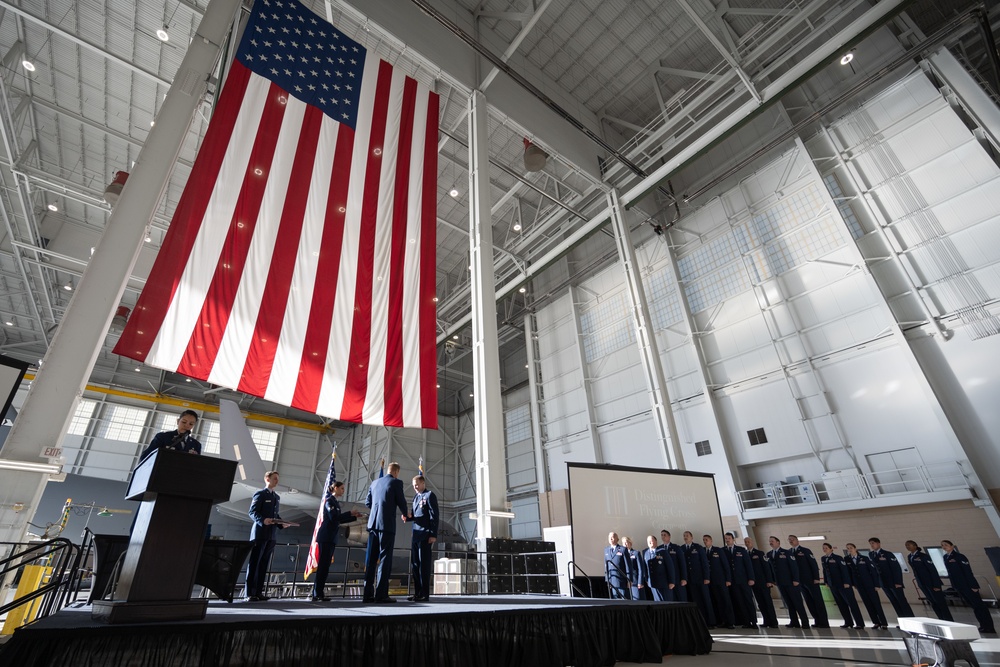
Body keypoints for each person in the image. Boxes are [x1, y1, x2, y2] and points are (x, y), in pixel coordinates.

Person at [364, 462, 409, 603]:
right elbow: (401, 501)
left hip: (372, 526)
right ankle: (381, 595)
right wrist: (405, 514)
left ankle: (367, 595)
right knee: (384, 559)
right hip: (386, 526)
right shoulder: (396, 483)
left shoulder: (375, 483)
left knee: (371, 560)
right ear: (396, 472)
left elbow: (368, 502)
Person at [311, 481, 361, 601]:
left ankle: (319, 592)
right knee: (323, 566)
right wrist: (349, 513)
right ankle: (317, 593)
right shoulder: (329, 501)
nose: (343, 491)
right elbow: (334, 518)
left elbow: (338, 520)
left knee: (326, 566)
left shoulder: (336, 503)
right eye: (342, 488)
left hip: (331, 537)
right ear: (335, 488)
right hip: (326, 536)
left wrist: (353, 517)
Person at [246, 471, 287, 601]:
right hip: (260, 533)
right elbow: (252, 512)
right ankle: (250, 593)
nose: (277, 481)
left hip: (271, 535)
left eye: (278, 479)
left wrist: (282, 523)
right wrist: (262, 520)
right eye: (275, 479)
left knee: (264, 564)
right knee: (255, 563)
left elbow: (275, 515)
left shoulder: (276, 497)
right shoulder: (260, 494)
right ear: (267, 479)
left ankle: (258, 592)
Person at [941, 540, 996, 633]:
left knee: (979, 606)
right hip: (959, 586)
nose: (944, 547)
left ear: (952, 546)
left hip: (968, 585)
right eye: (942, 545)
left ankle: (989, 627)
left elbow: (968, 572)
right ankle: (983, 625)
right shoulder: (946, 557)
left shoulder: (959, 557)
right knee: (974, 606)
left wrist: (974, 585)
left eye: (946, 545)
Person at [408, 475, 438, 602]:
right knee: (415, 565)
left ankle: (425, 594)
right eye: (413, 485)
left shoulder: (429, 495)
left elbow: (434, 515)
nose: (415, 487)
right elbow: (415, 515)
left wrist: (433, 534)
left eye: (416, 484)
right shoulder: (415, 497)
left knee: (423, 566)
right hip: (416, 535)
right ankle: (418, 593)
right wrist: (407, 517)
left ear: (423, 483)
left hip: (425, 535)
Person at [905, 540, 953, 621]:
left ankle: (948, 620)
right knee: (933, 602)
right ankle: (941, 619)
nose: (907, 547)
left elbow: (932, 570)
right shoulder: (910, 556)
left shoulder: (923, 556)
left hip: (931, 582)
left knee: (940, 602)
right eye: (906, 545)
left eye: (909, 545)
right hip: (922, 582)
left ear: (915, 545)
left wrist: (936, 584)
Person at [788, 535, 829, 628]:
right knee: (809, 602)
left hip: (811, 580)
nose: (791, 541)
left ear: (797, 540)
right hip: (800, 581)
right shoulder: (789, 552)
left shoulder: (805, 550)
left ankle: (824, 622)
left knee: (818, 601)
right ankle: (817, 620)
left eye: (792, 539)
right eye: (789, 540)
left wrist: (816, 578)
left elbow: (813, 564)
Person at [768, 536, 809, 629]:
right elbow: (771, 569)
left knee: (797, 603)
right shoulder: (769, 554)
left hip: (791, 582)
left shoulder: (787, 553)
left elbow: (794, 567)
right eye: (770, 541)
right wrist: (773, 580)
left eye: (772, 541)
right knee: (789, 603)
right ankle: (794, 622)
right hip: (780, 583)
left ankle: (805, 622)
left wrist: (796, 579)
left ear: (778, 542)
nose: (771, 543)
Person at [821, 543, 865, 628]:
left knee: (851, 604)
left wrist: (847, 582)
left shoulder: (838, 558)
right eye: (823, 548)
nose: (824, 549)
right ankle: (848, 622)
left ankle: (860, 623)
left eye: (826, 548)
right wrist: (826, 581)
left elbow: (844, 571)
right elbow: (825, 571)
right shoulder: (823, 558)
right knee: (841, 604)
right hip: (833, 585)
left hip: (843, 585)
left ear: (831, 549)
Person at [868, 537, 914, 619]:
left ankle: (911, 620)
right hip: (883, 582)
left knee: (901, 601)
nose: (872, 545)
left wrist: (898, 582)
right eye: (870, 543)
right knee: (894, 601)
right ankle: (902, 620)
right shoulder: (871, 554)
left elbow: (896, 569)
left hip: (893, 582)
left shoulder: (887, 554)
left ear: (878, 543)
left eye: (873, 543)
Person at [846, 542, 888, 630]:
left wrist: (876, 584)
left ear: (855, 548)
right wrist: (853, 583)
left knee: (876, 603)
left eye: (851, 548)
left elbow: (873, 571)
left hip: (869, 584)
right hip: (859, 585)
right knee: (867, 604)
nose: (850, 550)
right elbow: (849, 573)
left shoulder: (864, 558)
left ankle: (883, 623)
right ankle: (876, 622)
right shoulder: (847, 559)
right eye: (848, 548)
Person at [724, 532, 757, 628]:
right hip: (733, 581)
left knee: (748, 600)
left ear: (733, 539)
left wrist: (751, 578)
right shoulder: (724, 551)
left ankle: (754, 621)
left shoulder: (741, 550)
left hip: (744, 580)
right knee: (740, 601)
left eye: (729, 538)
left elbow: (748, 565)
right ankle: (746, 621)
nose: (727, 540)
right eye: (726, 538)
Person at [683, 530, 715, 626]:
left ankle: (711, 622)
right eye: (684, 536)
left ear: (692, 537)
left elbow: (705, 564)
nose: (685, 537)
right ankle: (701, 621)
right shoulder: (682, 548)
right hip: (691, 580)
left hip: (701, 579)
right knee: (697, 601)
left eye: (687, 535)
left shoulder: (698, 547)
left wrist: (706, 577)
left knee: (706, 600)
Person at [744, 537, 778, 628]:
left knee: (767, 602)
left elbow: (766, 568)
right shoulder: (745, 554)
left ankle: (773, 622)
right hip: (754, 583)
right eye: (746, 542)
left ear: (752, 542)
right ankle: (766, 621)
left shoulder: (760, 553)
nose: (747, 543)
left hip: (763, 582)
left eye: (749, 541)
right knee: (760, 603)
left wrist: (769, 581)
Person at [703, 534, 735, 628]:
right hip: (710, 582)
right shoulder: (703, 551)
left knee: (725, 600)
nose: (705, 541)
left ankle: (730, 622)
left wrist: (728, 579)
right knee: (717, 602)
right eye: (704, 540)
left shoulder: (718, 550)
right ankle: (722, 621)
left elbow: (725, 565)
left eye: (707, 540)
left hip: (721, 580)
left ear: (711, 540)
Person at [644, 535, 676, 601]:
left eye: (651, 540)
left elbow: (670, 567)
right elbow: (645, 567)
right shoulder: (646, 553)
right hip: (652, 583)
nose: (650, 542)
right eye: (648, 541)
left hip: (664, 582)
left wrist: (671, 581)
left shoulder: (663, 551)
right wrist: (647, 580)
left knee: (666, 601)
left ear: (656, 541)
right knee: (657, 602)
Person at [661, 530, 688, 601]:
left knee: (682, 599)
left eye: (665, 535)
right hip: (666, 580)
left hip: (678, 579)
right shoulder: (660, 549)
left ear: (669, 537)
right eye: (662, 535)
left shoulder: (676, 547)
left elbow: (682, 563)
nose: (663, 537)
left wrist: (684, 578)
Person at [604, 532, 631, 600]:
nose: (611, 539)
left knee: (624, 600)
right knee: (615, 601)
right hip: (612, 580)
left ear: (617, 539)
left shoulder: (623, 549)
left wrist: (629, 579)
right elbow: (606, 565)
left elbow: (628, 565)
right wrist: (608, 579)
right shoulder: (606, 550)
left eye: (612, 537)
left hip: (622, 580)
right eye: (609, 537)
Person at [623, 536, 648, 601]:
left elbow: (641, 569)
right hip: (626, 582)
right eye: (623, 543)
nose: (625, 544)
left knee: (638, 600)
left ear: (630, 543)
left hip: (635, 582)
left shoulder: (636, 553)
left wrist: (640, 582)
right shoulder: (622, 554)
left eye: (626, 542)